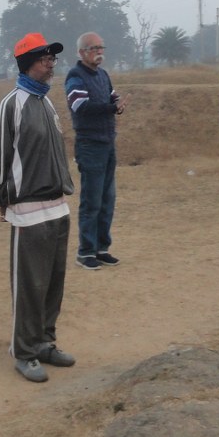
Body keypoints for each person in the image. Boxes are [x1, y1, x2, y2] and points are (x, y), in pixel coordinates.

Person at [0, 33, 77, 383]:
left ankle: (44, 343)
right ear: (27, 64)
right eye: (45, 59)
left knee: (52, 284)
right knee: (29, 286)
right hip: (28, 211)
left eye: (52, 58)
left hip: (57, 207)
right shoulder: (12, 105)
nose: (51, 65)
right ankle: (24, 352)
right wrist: (2, 200)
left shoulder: (46, 103)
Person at [64, 31, 127, 271]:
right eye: (94, 48)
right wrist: (111, 108)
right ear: (81, 52)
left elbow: (112, 97)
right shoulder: (75, 76)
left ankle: (102, 248)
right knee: (91, 201)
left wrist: (118, 105)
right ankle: (86, 252)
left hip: (108, 143)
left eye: (101, 47)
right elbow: (80, 106)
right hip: (90, 146)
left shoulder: (103, 75)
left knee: (107, 199)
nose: (99, 52)